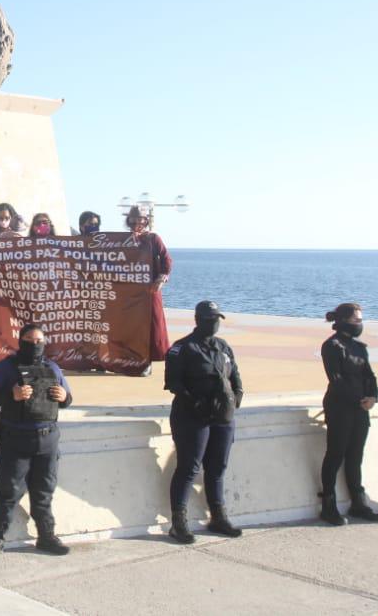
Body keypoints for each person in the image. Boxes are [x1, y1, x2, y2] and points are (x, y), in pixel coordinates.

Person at [0, 323, 73, 560]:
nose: (35, 345)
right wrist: (11, 395)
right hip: (14, 439)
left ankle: (46, 536)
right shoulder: (4, 368)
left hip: (47, 439)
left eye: (39, 341)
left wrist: (65, 397)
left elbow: (67, 398)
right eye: (30, 341)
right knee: (9, 491)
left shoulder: (52, 367)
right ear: (20, 342)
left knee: (44, 491)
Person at [164, 301, 244, 544]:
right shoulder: (182, 348)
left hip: (223, 418)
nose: (214, 323)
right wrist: (195, 402)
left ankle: (218, 517)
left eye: (216, 318)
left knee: (217, 468)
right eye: (209, 319)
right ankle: (179, 523)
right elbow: (174, 383)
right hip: (192, 417)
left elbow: (235, 377)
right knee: (189, 468)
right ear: (198, 320)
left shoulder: (223, 347)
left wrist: (236, 398)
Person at [319, 302, 378, 525]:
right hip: (339, 408)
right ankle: (328, 504)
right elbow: (336, 380)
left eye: (360, 320)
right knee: (335, 454)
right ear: (344, 320)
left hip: (360, 410)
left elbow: (370, 376)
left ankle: (358, 502)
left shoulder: (360, 348)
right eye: (356, 320)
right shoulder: (332, 346)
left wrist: (372, 398)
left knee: (355, 456)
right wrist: (357, 400)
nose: (359, 324)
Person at [127, 205, 172, 371]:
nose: (137, 222)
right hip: (130, 292)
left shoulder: (153, 238)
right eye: (134, 218)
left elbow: (167, 260)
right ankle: (128, 359)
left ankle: (147, 360)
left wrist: (161, 279)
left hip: (149, 290)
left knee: (151, 325)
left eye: (140, 219)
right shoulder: (122, 239)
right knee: (130, 325)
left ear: (146, 220)